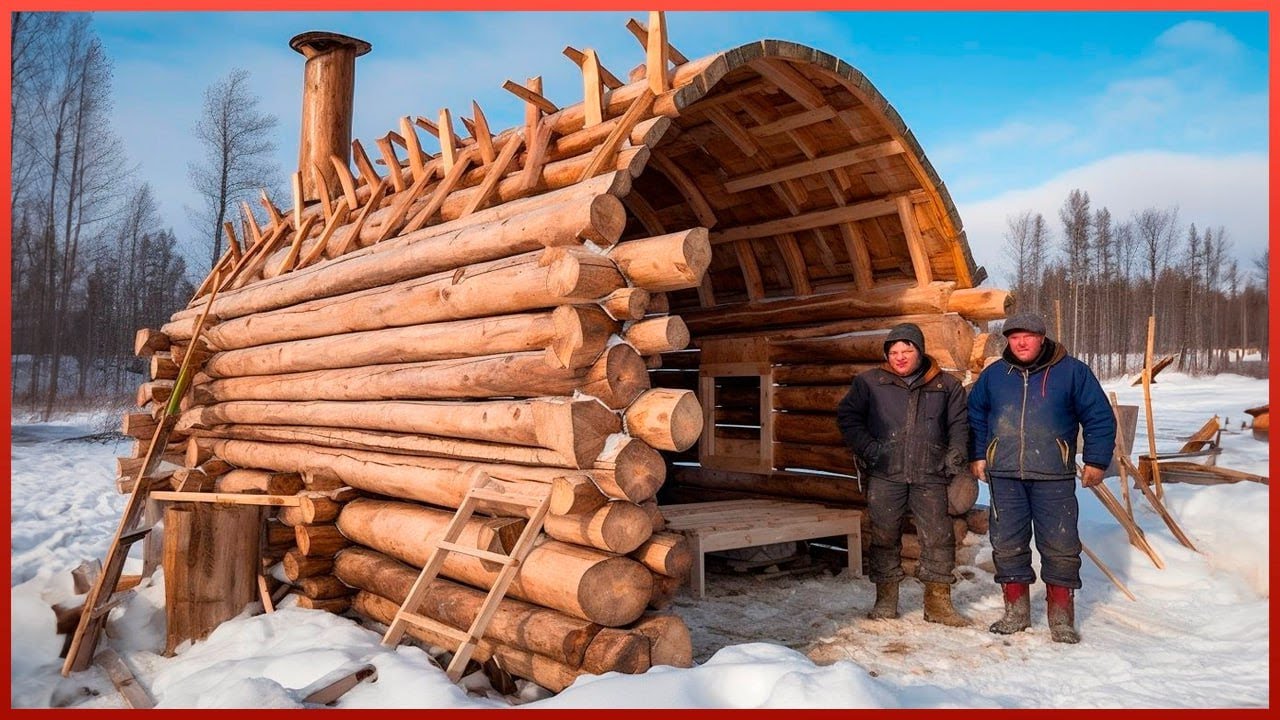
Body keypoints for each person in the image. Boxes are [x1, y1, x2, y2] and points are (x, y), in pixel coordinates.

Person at [967, 312, 1116, 643]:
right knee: (1006, 543)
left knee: (1060, 544)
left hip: (1053, 475)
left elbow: (1099, 416)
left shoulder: (1072, 372)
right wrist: (978, 454)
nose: (1021, 342)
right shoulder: (994, 376)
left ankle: (1060, 618)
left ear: (1042, 337)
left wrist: (1096, 459)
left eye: (1028, 336)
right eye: (1014, 337)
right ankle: (1016, 612)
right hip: (1004, 474)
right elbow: (975, 415)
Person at [836, 323, 971, 626]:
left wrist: (956, 452)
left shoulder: (946, 385)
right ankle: (885, 600)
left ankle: (938, 603)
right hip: (886, 473)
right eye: (893, 351)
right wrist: (869, 448)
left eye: (906, 350)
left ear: (919, 351)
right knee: (883, 536)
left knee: (938, 537)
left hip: (930, 473)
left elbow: (959, 425)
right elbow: (847, 417)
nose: (899, 357)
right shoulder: (870, 383)